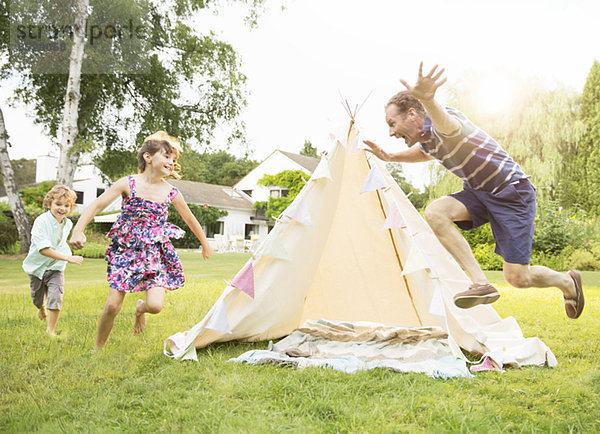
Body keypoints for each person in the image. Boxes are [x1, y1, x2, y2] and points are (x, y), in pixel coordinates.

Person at [363, 62, 584, 318]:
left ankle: (568, 282)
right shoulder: (428, 140)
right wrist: (390, 157)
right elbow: (425, 154)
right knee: (436, 212)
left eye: (392, 123)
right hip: (480, 191)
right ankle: (480, 283)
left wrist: (429, 99)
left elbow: (448, 128)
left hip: (512, 193)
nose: (390, 132)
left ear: (412, 114)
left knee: (518, 278)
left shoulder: (445, 122)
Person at [69, 131, 214, 350]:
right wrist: (78, 230)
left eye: (173, 160)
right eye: (166, 156)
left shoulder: (171, 192)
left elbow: (190, 219)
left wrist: (205, 243)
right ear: (148, 157)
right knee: (113, 306)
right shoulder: (128, 183)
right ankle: (97, 349)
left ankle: (140, 308)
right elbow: (96, 205)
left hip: (153, 253)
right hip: (125, 250)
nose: (171, 162)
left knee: (155, 306)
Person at [23, 185, 84, 336]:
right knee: (37, 299)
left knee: (56, 297)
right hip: (37, 268)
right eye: (58, 204)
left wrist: (80, 238)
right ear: (49, 204)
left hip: (56, 267)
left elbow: (62, 242)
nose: (62, 209)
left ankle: (50, 330)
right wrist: (68, 258)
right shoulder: (41, 222)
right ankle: (41, 308)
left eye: (67, 205)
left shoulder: (68, 224)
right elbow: (43, 249)